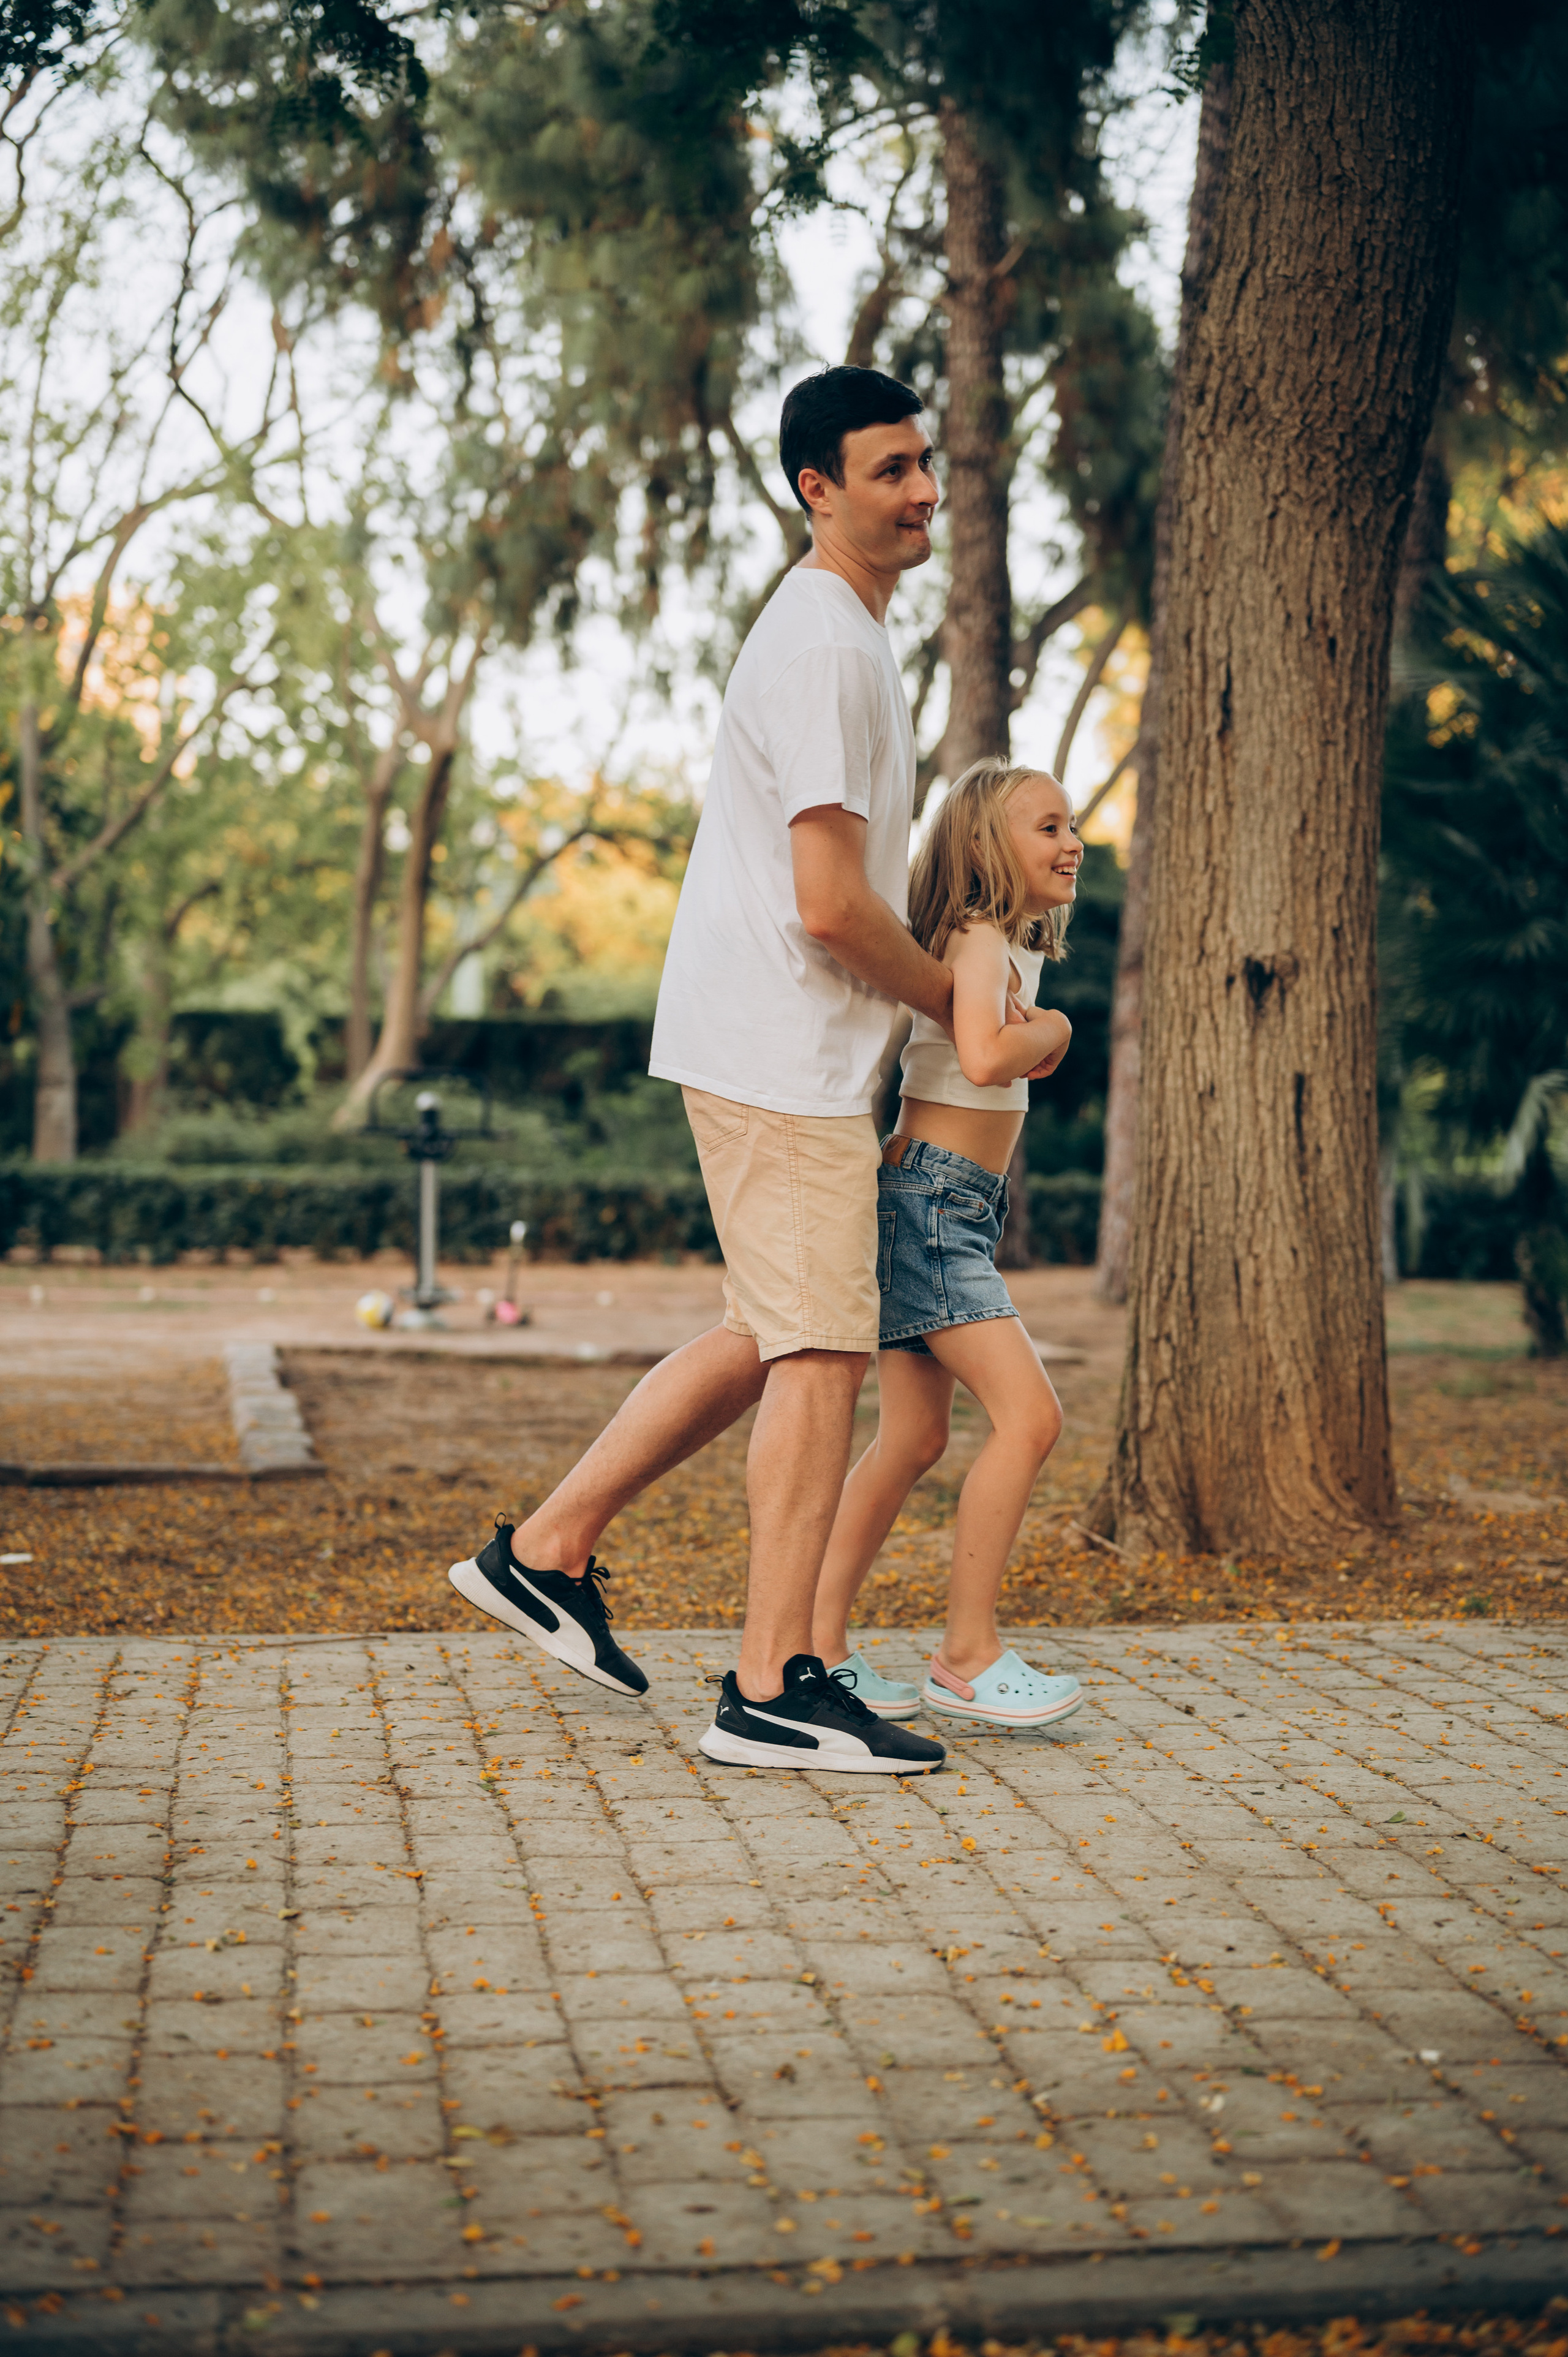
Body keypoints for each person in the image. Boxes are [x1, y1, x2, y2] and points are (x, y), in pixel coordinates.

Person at [448, 365, 955, 1774]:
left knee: (769, 1332)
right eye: (890, 470)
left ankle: (544, 1549)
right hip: (784, 1047)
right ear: (817, 488)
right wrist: (950, 1006)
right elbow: (830, 902)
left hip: (773, 1045)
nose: (922, 493)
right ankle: (770, 1682)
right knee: (821, 1350)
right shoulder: (826, 649)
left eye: (925, 466)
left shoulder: (839, 633)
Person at [808, 758, 1088, 1732]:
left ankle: (817, 1646)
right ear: (985, 848)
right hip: (932, 1205)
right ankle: (967, 1657)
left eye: (1072, 825)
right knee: (1031, 1419)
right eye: (1047, 826)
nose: (1072, 842)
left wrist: (1036, 1028)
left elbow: (980, 1060)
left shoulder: (1002, 943)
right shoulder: (979, 942)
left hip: (941, 1204)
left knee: (914, 1437)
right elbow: (982, 1054)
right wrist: (1051, 1029)